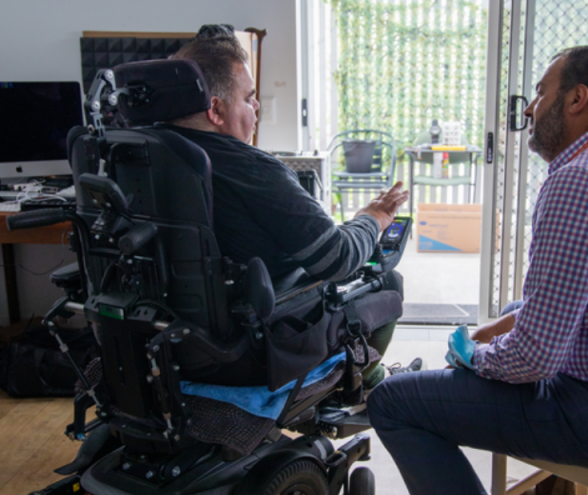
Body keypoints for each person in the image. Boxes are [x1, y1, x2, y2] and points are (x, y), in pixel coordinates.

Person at [367, 46, 588, 495]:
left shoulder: (581, 180)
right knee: (512, 310)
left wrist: (474, 359)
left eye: (541, 93)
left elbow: (535, 359)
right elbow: (567, 303)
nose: (528, 108)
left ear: (576, 99)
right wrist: (489, 334)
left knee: (393, 402)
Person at [166, 25, 422, 387]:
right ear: (216, 110)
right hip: (248, 351)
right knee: (387, 281)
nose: (256, 106)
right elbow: (337, 259)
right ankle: (368, 385)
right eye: (249, 97)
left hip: (167, 344)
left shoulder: (138, 156)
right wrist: (372, 218)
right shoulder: (251, 169)